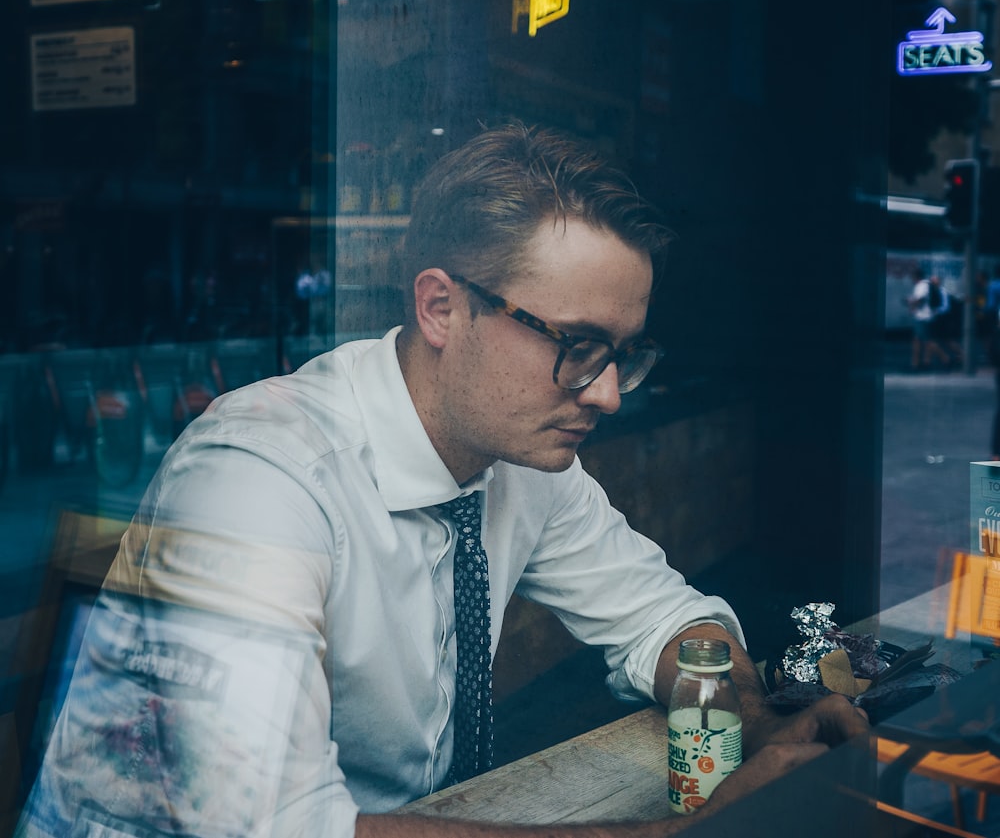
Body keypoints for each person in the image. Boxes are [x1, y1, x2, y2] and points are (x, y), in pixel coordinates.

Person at [16, 124, 868, 838]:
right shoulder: (259, 478)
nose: (605, 391)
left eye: (623, 353)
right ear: (440, 309)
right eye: (576, 344)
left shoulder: (518, 452)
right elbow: (280, 827)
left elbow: (666, 616)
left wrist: (752, 726)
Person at [906, 268, 951, 371]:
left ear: (915, 277)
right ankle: (916, 363)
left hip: (923, 317)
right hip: (922, 316)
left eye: (912, 277)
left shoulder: (922, 286)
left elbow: (920, 299)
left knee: (928, 342)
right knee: (917, 340)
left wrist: (911, 302)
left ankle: (945, 358)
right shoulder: (926, 284)